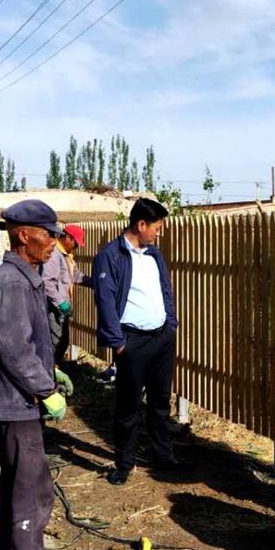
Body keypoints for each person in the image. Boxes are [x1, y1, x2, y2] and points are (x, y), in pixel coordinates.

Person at [0, 199, 78, 550]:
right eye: (48, 234)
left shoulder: (25, 276)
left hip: (17, 399)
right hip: (13, 402)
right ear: (23, 235)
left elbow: (27, 342)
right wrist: (45, 389)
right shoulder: (13, 283)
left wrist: (51, 374)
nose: (54, 241)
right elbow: (14, 347)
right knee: (28, 489)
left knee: (24, 484)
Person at [93, 197, 181, 485]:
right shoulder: (111, 255)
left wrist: (171, 325)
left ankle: (163, 456)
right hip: (133, 342)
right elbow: (104, 299)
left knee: (159, 402)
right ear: (140, 224)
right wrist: (118, 342)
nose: (159, 232)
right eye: (156, 227)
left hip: (161, 339)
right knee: (128, 407)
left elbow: (164, 290)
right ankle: (124, 463)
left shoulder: (154, 255)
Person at [41, 223, 93, 365]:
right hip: (53, 308)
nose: (76, 247)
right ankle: (48, 375)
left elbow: (75, 275)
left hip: (59, 308)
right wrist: (61, 303)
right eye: (75, 243)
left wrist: (93, 282)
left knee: (62, 342)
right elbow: (47, 282)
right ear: (68, 237)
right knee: (56, 343)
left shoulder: (66, 256)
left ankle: (51, 372)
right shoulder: (54, 255)